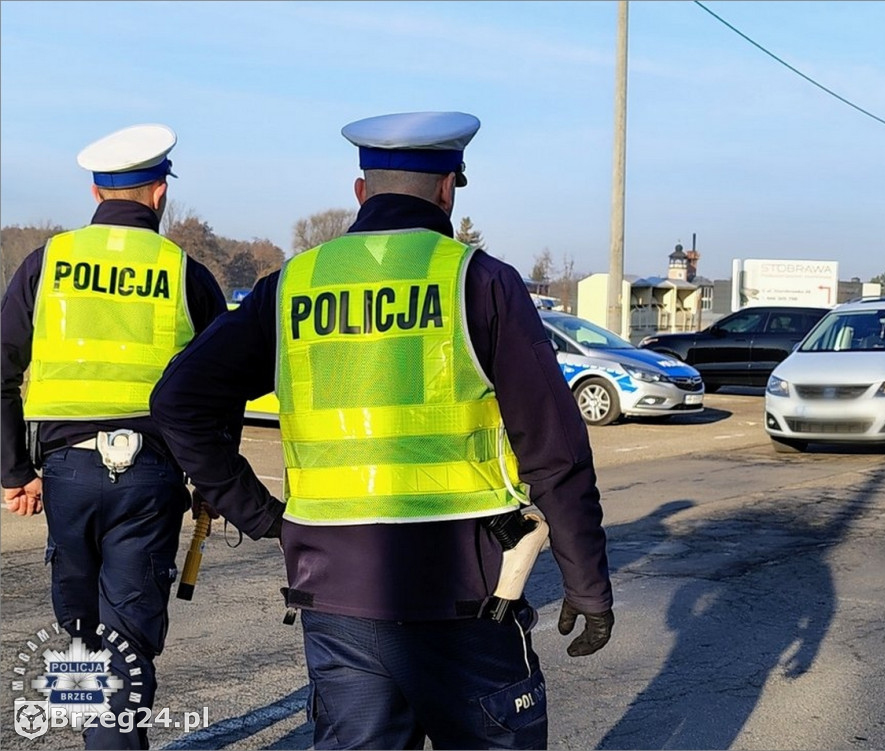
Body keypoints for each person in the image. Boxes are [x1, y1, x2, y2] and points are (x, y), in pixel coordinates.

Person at [149, 111, 614, 750]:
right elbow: (553, 451)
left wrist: (263, 517)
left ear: (361, 192)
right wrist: (585, 579)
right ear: (448, 189)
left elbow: (178, 399)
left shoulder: (293, 285)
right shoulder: (477, 280)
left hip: (336, 598)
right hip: (466, 596)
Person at [0, 124, 228, 750]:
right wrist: (215, 481)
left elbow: (2, 368)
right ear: (159, 195)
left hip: (67, 474)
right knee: (125, 635)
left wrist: (16, 471)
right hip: (152, 475)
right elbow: (223, 386)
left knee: (80, 633)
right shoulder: (185, 271)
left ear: (96, 190)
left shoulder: (46, 262)